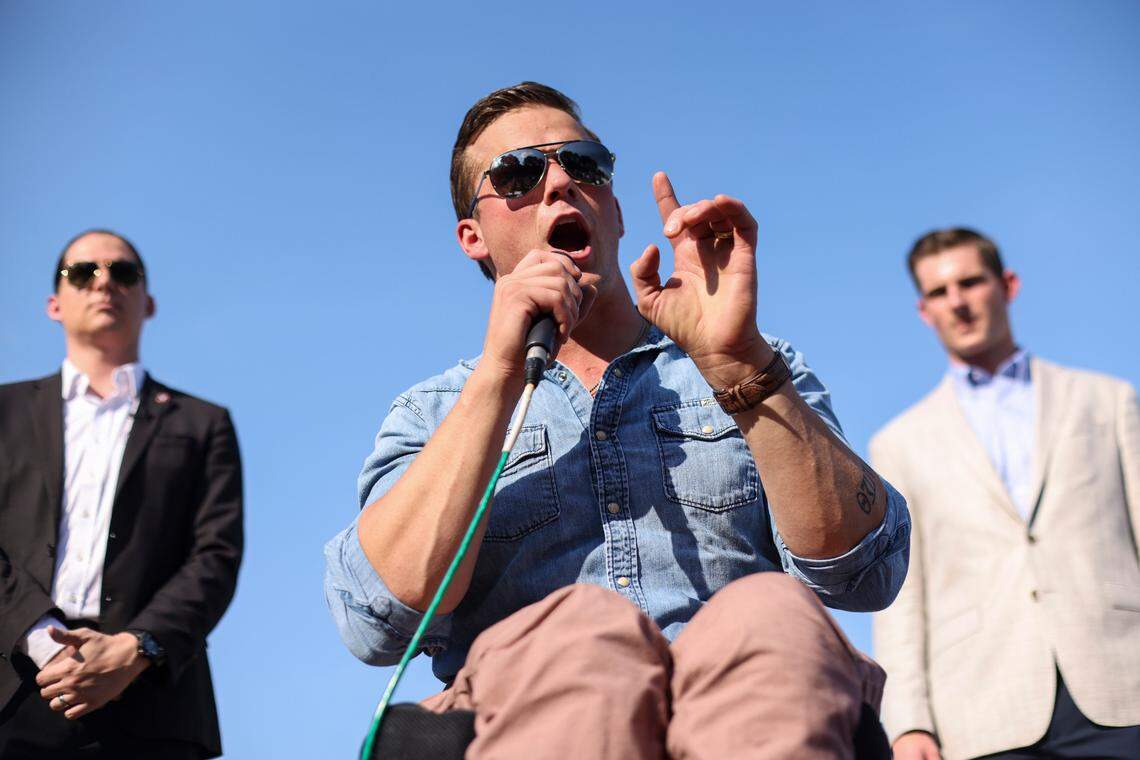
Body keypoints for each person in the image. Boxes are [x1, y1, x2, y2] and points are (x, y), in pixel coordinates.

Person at [324, 82, 910, 758]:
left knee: (769, 612)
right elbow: (377, 622)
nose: (560, 183)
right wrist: (498, 377)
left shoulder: (755, 363)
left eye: (584, 164)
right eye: (519, 173)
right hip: (536, 707)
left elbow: (866, 574)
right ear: (472, 236)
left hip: (753, 700)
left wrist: (739, 366)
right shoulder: (431, 412)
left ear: (615, 208)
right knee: (583, 631)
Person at [871, 228, 1140, 760]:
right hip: (983, 712)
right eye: (941, 292)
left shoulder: (1106, 401)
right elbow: (902, 597)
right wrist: (907, 723)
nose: (959, 302)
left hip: (1122, 688)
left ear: (1007, 284)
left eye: (971, 282)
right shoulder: (898, 443)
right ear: (924, 311)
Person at [0, 230, 244, 759]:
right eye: (83, 273)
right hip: (13, 693)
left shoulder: (204, 424)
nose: (105, 281)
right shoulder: (4, 413)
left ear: (148, 301)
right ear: (54, 304)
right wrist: (42, 641)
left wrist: (136, 649)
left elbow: (216, 557)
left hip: (156, 704)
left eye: (124, 272)